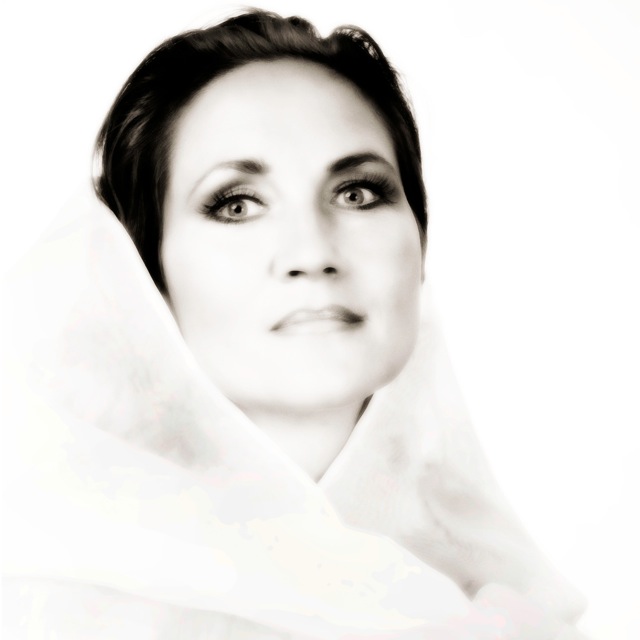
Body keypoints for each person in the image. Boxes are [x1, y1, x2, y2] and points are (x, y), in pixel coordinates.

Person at [3, 9, 588, 639]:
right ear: (144, 270)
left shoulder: (508, 614)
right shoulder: (47, 605)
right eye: (236, 205)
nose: (312, 252)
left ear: (420, 242)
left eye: (357, 193)